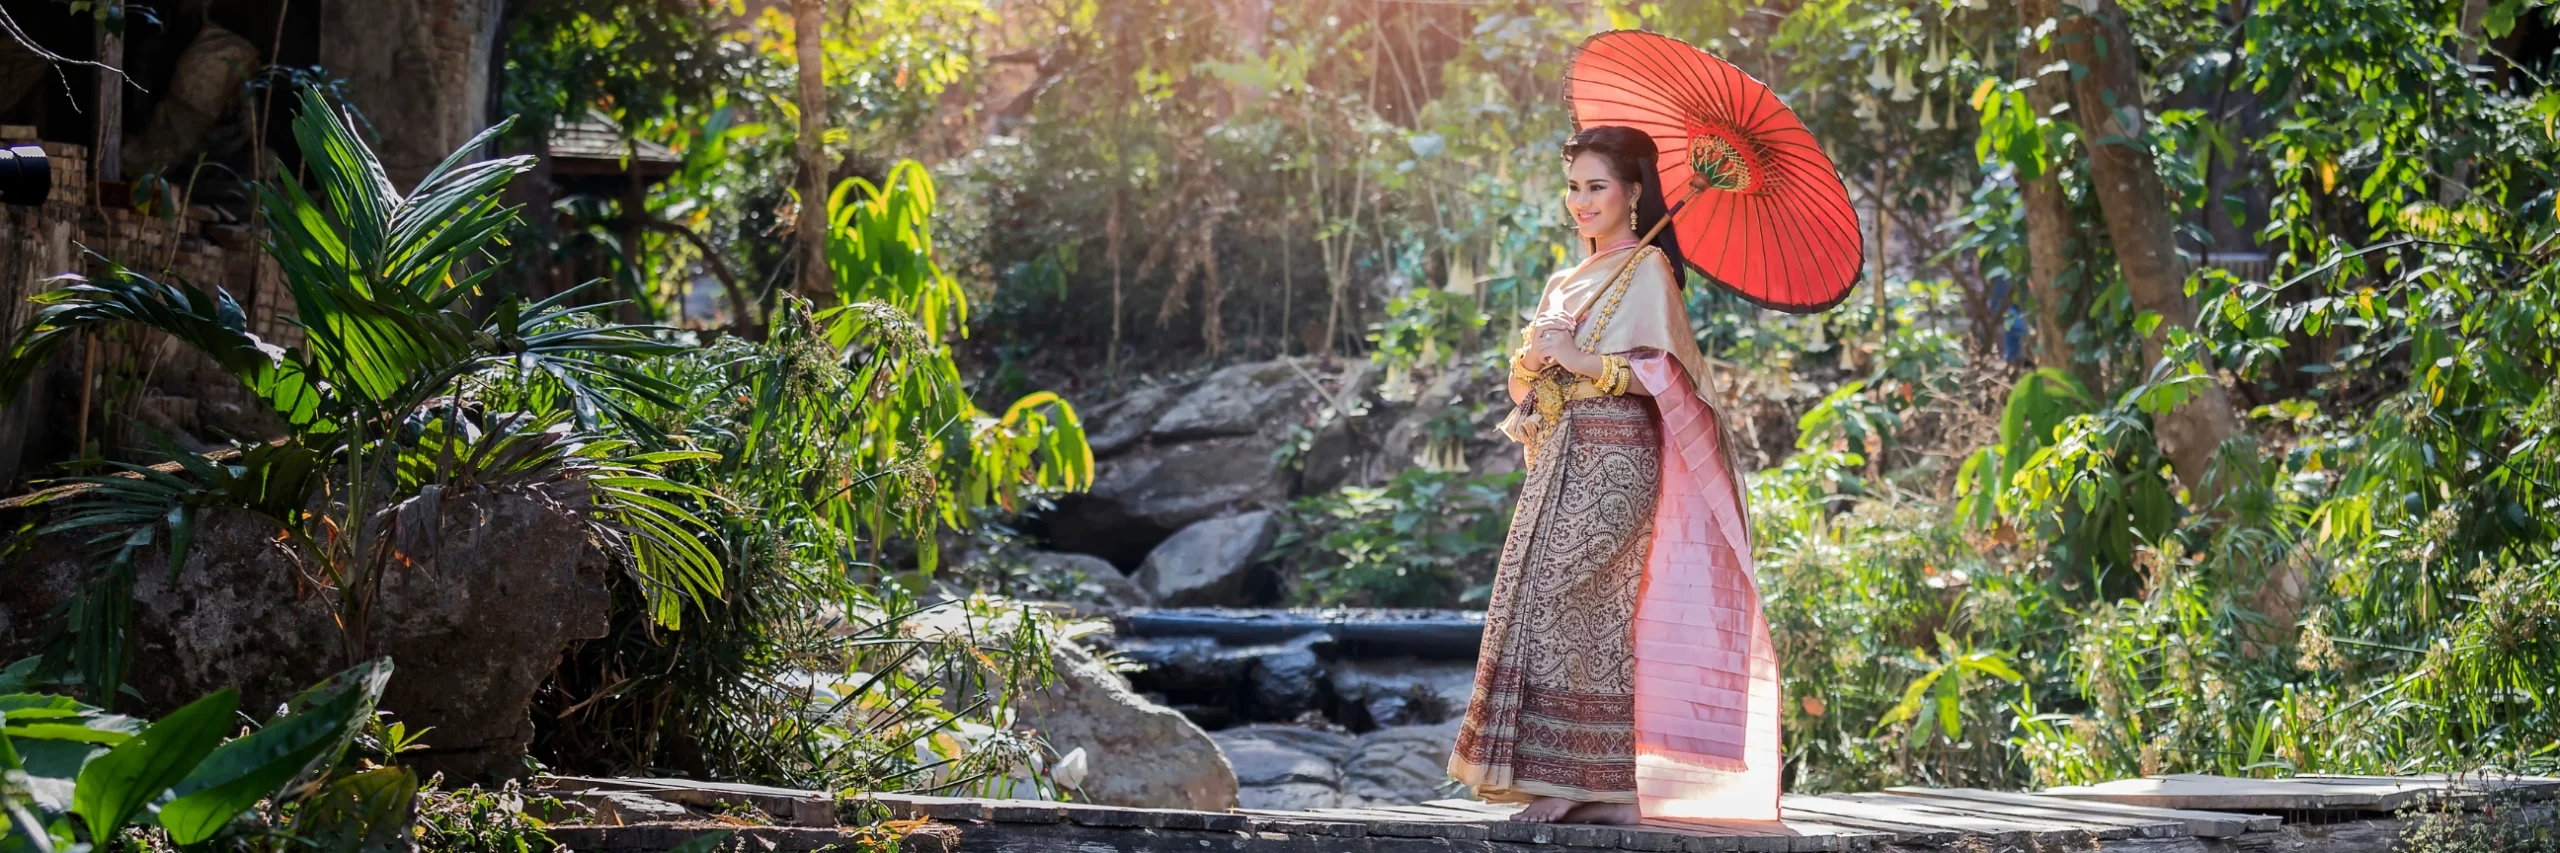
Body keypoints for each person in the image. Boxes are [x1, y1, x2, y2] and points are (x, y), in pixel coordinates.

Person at [1446, 125, 1782, 826]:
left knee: (1570, 596)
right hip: (1560, 456)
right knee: (1534, 600)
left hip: (1619, 457)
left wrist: (1582, 360)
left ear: (1633, 193)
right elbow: (1523, 391)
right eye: (1573, 187)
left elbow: (1670, 378)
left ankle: (1580, 781)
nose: (1581, 201)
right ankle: (1609, 788)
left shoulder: (1649, 270)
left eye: (1597, 186)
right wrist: (1534, 360)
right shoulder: (1565, 281)